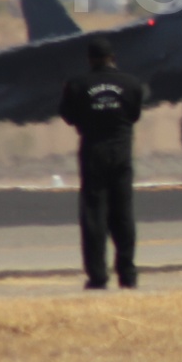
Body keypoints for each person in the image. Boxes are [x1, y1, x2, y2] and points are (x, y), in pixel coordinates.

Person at [59, 37, 146, 289]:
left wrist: (90, 120)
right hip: (122, 153)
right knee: (123, 214)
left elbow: (68, 115)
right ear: (113, 58)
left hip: (93, 151)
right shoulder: (131, 84)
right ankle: (127, 274)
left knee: (94, 216)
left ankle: (97, 276)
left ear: (90, 60)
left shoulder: (77, 85)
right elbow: (134, 114)